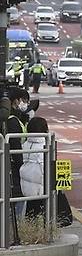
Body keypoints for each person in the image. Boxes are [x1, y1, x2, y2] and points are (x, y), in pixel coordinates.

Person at [7, 88, 30, 219]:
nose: (25, 104)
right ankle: (14, 228)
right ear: (16, 100)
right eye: (24, 101)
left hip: (12, 164)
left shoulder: (13, 117)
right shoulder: (12, 120)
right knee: (17, 196)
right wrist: (22, 166)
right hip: (15, 166)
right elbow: (16, 145)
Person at [19, 117, 49, 219]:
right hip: (41, 189)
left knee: (30, 214)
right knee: (42, 216)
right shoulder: (45, 146)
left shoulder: (25, 145)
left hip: (27, 188)